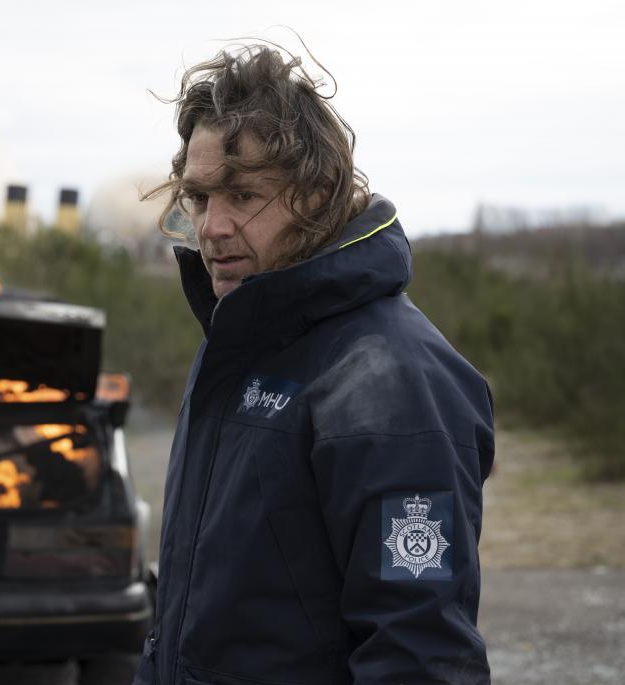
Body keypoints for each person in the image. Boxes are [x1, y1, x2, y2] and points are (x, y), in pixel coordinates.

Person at [132, 42, 494, 685]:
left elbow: (420, 654)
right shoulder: (239, 342)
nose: (211, 226)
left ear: (317, 194)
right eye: (198, 197)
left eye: (243, 195)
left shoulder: (391, 379)